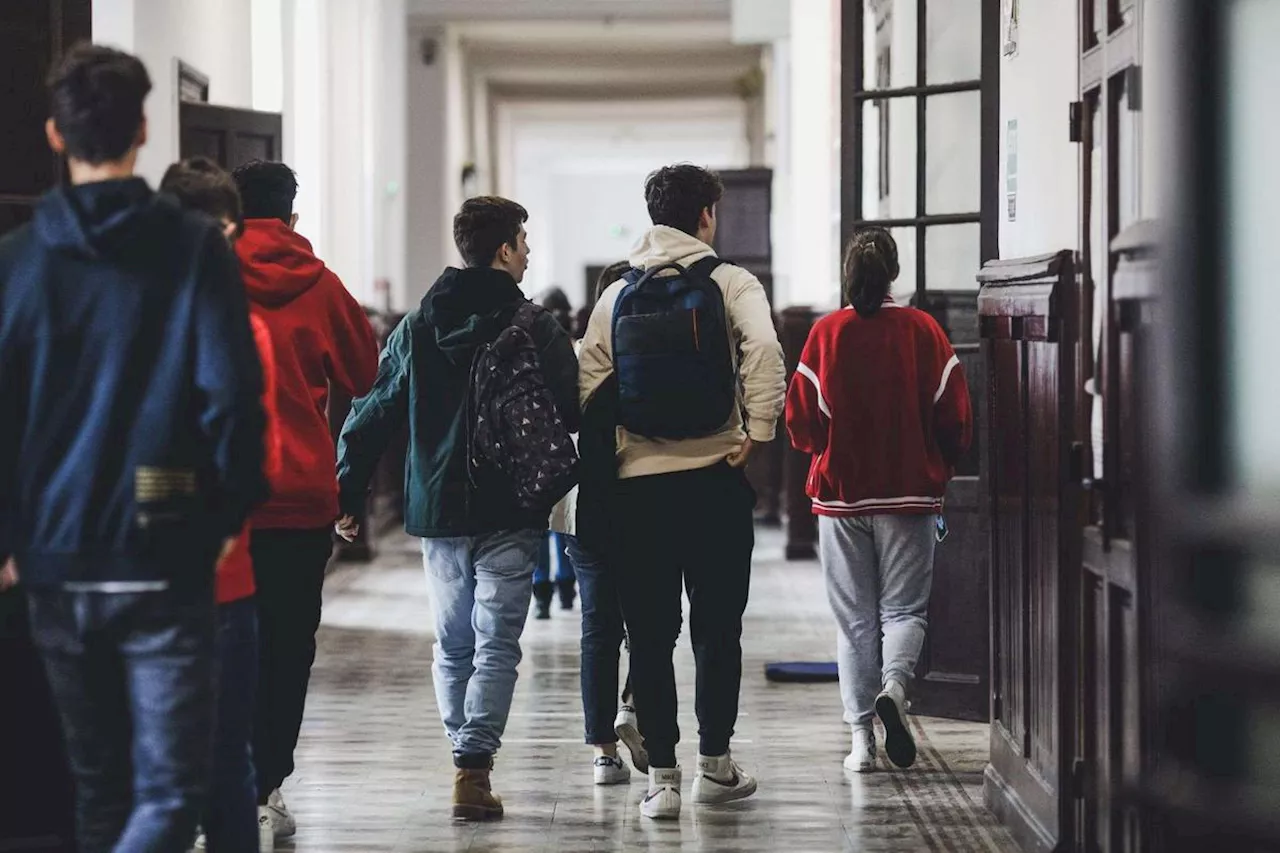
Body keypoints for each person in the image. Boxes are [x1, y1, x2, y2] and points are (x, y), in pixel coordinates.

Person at [0, 44, 268, 852]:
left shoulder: (15, 262)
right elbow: (233, 396)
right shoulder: (192, 249)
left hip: (51, 552)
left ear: (54, 133)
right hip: (162, 542)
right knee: (168, 790)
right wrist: (222, 512)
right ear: (145, 128)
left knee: (98, 791)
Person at [334, 197, 579, 821]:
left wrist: (348, 490)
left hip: (439, 507)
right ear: (502, 250)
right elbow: (575, 411)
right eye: (522, 241)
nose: (528, 253)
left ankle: (461, 754)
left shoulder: (416, 325)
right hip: (513, 505)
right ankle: (475, 765)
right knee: (498, 642)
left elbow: (372, 410)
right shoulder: (537, 325)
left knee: (452, 642)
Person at [579, 164, 786, 819]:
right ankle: (716, 766)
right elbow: (766, 352)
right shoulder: (730, 282)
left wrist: (618, 452)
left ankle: (661, 779)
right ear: (706, 216)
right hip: (715, 478)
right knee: (717, 630)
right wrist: (756, 430)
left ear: (651, 214)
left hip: (640, 490)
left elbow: (589, 383)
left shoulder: (616, 294)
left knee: (648, 634)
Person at [784, 227, 973, 773]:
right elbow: (955, 417)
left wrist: (824, 452)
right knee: (904, 610)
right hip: (909, 493)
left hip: (841, 497)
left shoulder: (825, 333)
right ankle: (894, 686)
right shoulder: (924, 331)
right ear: (894, 273)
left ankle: (861, 742)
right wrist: (940, 467)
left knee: (855, 623)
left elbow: (800, 420)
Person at [232, 159, 379, 841]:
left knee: (222, 642)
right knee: (288, 645)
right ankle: (265, 788)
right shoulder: (320, 285)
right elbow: (364, 371)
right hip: (299, 494)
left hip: (221, 498)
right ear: (293, 216)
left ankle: (223, 782)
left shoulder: (206, 273)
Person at [159, 156, 283, 853]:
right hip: (219, 571)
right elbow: (251, 464)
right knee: (225, 757)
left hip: (128, 569)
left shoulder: (117, 315)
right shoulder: (241, 330)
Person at [550, 260, 646, 785]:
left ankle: (604, 754)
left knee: (598, 629)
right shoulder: (646, 358)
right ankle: (631, 709)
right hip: (641, 499)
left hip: (586, 506)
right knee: (651, 625)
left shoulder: (576, 358)